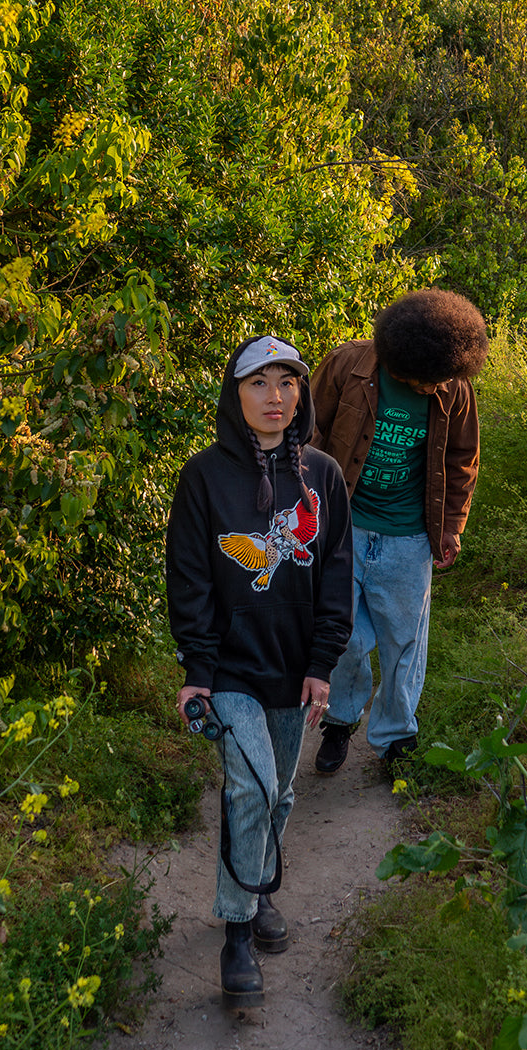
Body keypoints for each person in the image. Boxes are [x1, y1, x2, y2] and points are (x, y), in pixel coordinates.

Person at [166, 334, 353, 1008]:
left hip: (293, 666)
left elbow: (336, 573)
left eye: (287, 382)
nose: (275, 397)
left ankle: (259, 880)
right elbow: (189, 578)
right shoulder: (203, 477)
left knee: (277, 794)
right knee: (250, 788)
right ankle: (238, 930)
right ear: (234, 394)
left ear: (301, 394)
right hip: (231, 670)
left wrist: (322, 662)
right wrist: (197, 667)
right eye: (258, 383)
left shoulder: (325, 477)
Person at [309, 288, 488, 772]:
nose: (432, 388)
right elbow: (310, 432)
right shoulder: (349, 366)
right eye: (422, 380)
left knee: (404, 642)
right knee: (342, 635)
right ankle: (340, 721)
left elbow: (462, 460)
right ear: (396, 356)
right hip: (343, 527)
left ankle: (394, 741)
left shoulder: (452, 386)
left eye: (440, 380)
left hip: (410, 536)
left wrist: (451, 527)